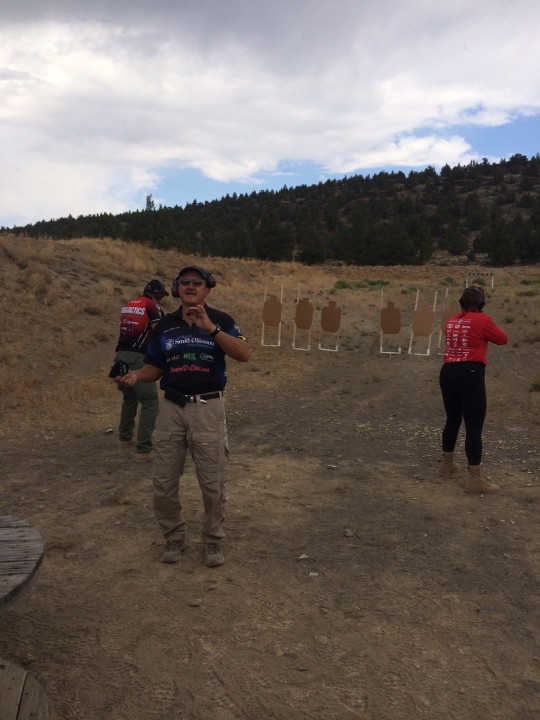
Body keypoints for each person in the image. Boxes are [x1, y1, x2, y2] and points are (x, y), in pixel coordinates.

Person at [116, 265, 251, 567]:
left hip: (208, 409)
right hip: (172, 410)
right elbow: (156, 367)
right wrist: (137, 376)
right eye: (185, 283)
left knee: (212, 483)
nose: (191, 287)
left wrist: (211, 329)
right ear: (176, 289)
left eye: (197, 283)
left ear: (208, 288)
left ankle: (213, 541)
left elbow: (244, 353)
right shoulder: (164, 326)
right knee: (163, 482)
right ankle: (173, 538)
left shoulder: (223, 320)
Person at [437, 285, 508, 493]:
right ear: (482, 304)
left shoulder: (452, 321)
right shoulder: (483, 320)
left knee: (452, 420)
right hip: (470, 373)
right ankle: (474, 479)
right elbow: (503, 339)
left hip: (448, 372)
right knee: (474, 426)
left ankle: (446, 465)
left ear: (461, 304)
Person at [114, 279, 169, 461]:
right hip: (138, 357)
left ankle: (124, 438)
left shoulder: (130, 304)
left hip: (121, 355)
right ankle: (144, 449)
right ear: (156, 295)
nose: (161, 300)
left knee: (129, 398)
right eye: (161, 296)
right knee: (150, 401)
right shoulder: (152, 306)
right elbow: (158, 330)